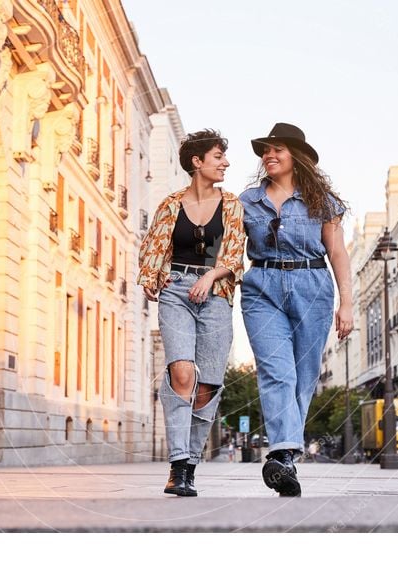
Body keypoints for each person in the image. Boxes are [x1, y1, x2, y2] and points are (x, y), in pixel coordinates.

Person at [240, 122, 353, 497]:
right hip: (262, 288)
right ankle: (283, 453)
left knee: (304, 377)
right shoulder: (246, 202)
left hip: (313, 287)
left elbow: (337, 253)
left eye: (277, 149)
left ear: (295, 156)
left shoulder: (322, 201)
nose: (269, 155)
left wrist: (347, 303)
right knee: (278, 373)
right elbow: (223, 249)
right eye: (265, 151)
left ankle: (285, 459)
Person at [137, 129, 245, 497]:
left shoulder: (232, 205)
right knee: (181, 372)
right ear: (197, 162)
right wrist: (151, 278)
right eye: (218, 156)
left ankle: (191, 464)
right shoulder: (169, 204)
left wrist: (211, 276)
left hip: (215, 295)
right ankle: (178, 465)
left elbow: (233, 256)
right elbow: (152, 245)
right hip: (176, 292)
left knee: (206, 386)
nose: (225, 163)